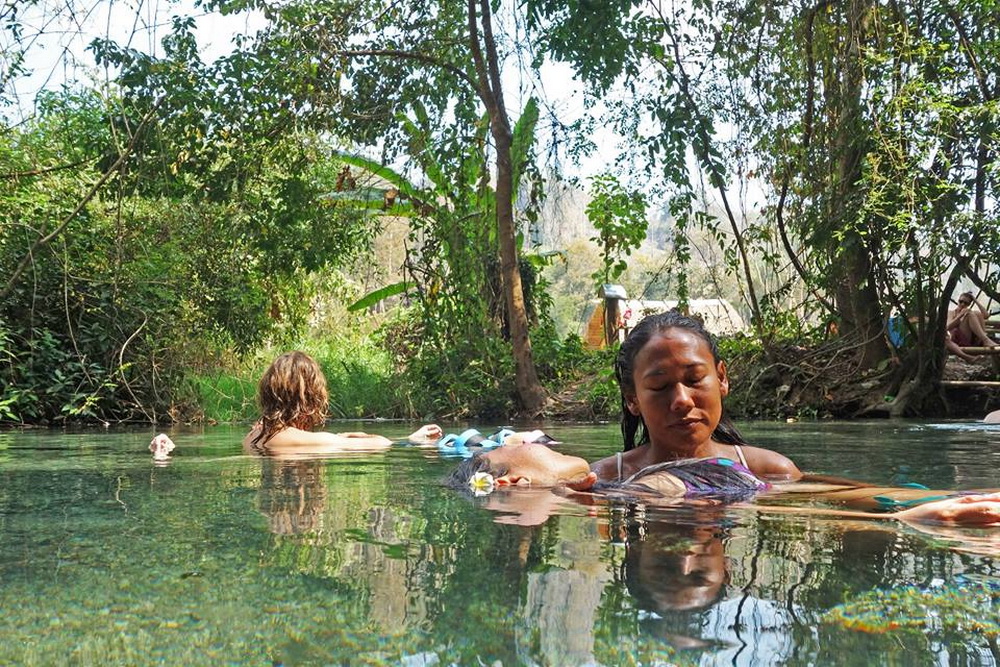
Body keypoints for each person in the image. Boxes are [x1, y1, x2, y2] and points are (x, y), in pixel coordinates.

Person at [447, 440, 1000, 528]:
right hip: (714, 496)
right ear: (515, 477)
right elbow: (790, 506)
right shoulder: (616, 488)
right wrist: (914, 515)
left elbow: (794, 496)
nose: (544, 443)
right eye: (537, 446)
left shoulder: (610, 490)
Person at [590, 310, 801, 483]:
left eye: (694, 379)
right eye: (660, 386)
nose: (682, 400)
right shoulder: (601, 479)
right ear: (632, 400)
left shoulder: (773, 471)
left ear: (721, 379)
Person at [244, 351, 441, 455]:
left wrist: (344, 435)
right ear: (309, 397)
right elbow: (379, 444)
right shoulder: (287, 438)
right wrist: (413, 441)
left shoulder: (256, 432)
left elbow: (334, 438)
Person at [946, 291, 997, 361]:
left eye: (966, 303)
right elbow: (948, 327)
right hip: (958, 340)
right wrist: (960, 315)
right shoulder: (951, 312)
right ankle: (986, 340)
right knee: (970, 314)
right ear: (958, 301)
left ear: (969, 304)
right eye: (961, 301)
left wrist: (975, 300)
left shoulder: (969, 313)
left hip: (972, 339)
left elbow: (986, 315)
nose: (962, 304)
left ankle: (985, 340)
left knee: (977, 313)